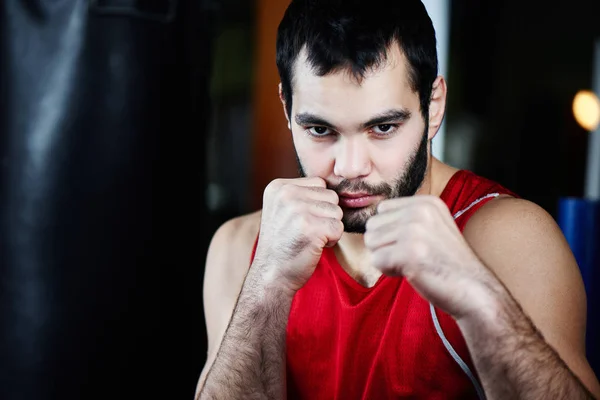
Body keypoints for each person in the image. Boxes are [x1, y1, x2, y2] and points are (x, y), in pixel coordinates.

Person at [194, 0, 600, 398]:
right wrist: (266, 284)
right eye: (320, 130)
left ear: (433, 106)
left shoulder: (509, 242)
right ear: (288, 108)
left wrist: (478, 299)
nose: (350, 167)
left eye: (383, 127)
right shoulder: (241, 249)